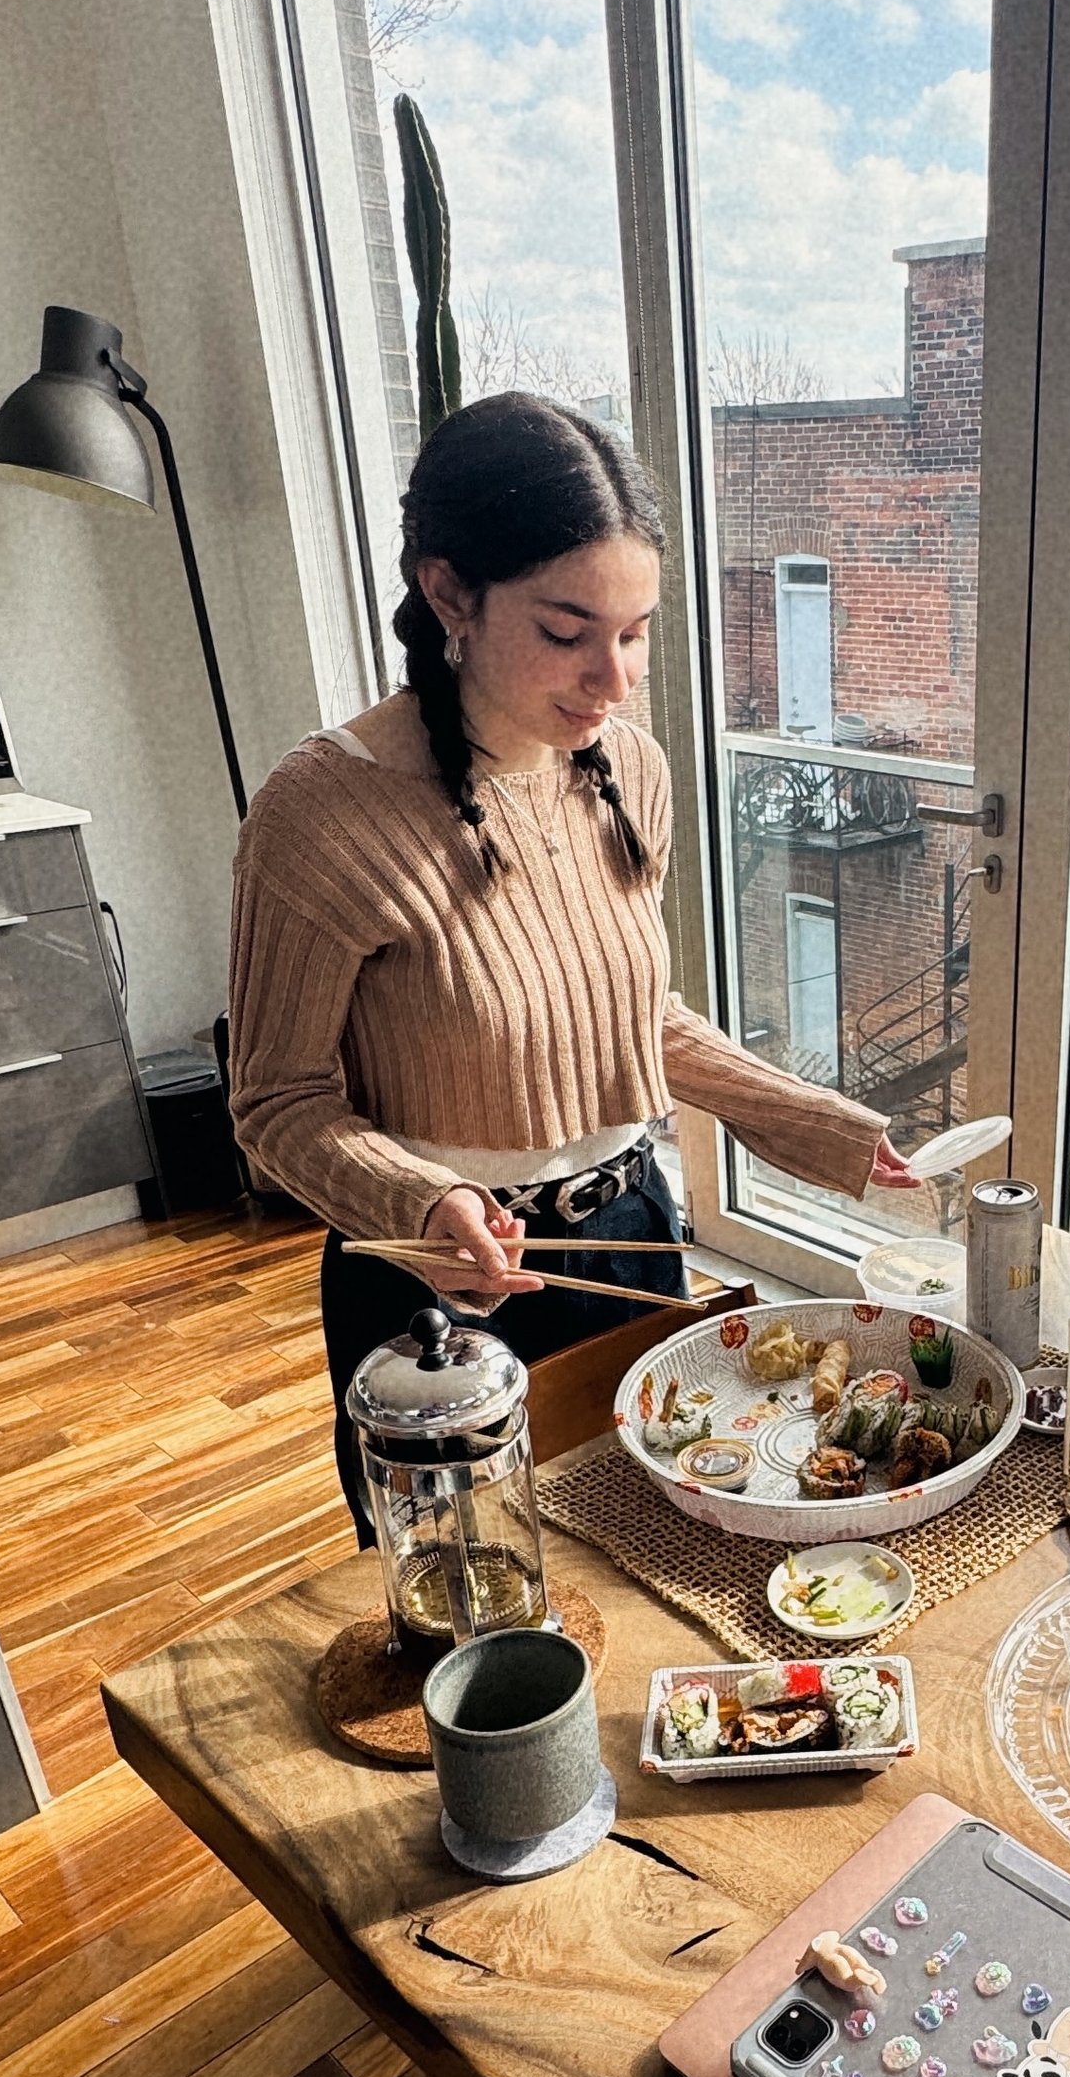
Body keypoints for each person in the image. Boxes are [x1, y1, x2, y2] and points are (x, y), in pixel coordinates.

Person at [229, 393, 914, 1536]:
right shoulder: (323, 812)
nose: (615, 677)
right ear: (449, 593)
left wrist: (816, 1122)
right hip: (427, 1286)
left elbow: (630, 1016)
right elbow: (275, 1100)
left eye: (636, 630)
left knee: (667, 1546)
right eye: (567, 630)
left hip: (630, 1235)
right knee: (476, 1606)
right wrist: (425, 1197)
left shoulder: (624, 769)